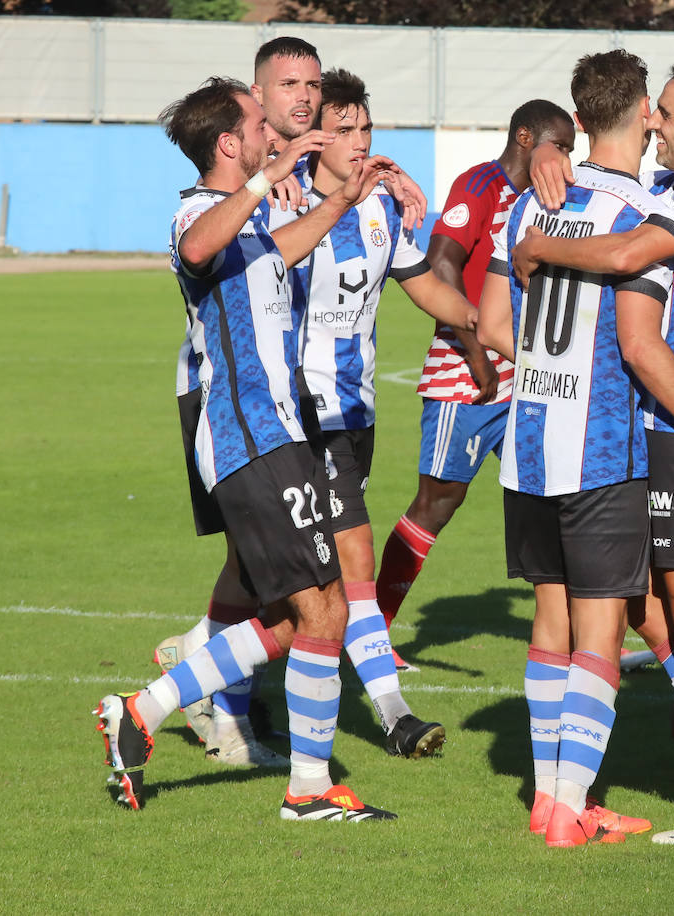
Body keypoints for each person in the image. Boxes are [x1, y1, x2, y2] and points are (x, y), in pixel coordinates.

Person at [97, 76, 402, 821]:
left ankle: (144, 710)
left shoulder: (253, 227)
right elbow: (201, 246)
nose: (277, 128)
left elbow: (279, 254)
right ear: (232, 143)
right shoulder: (198, 212)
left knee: (308, 614)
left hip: (277, 434)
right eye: (261, 122)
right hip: (248, 435)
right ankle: (306, 790)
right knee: (321, 610)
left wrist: (340, 199)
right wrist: (274, 178)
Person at [512, 61, 674, 847]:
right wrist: (554, 165)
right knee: (653, 613)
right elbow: (618, 231)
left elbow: (626, 263)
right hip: (645, 432)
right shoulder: (659, 193)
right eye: (649, 111)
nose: (654, 122)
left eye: (668, 112)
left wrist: (538, 239)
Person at [296, 67, 487, 757]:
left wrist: (486, 329)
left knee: (286, 581)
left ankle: (196, 682)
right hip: (299, 413)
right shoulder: (287, 206)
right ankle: (393, 711)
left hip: (356, 412)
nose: (357, 141)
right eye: (341, 130)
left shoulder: (379, 208)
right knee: (351, 559)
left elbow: (426, 287)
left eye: (364, 128)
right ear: (315, 139)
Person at [374, 101, 575, 665]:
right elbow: (439, 265)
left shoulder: (539, 198)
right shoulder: (480, 183)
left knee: (550, 499)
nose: (565, 158)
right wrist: (476, 352)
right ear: (525, 136)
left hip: (525, 373)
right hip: (466, 373)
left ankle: (575, 637)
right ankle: (373, 635)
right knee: (437, 502)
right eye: (558, 146)